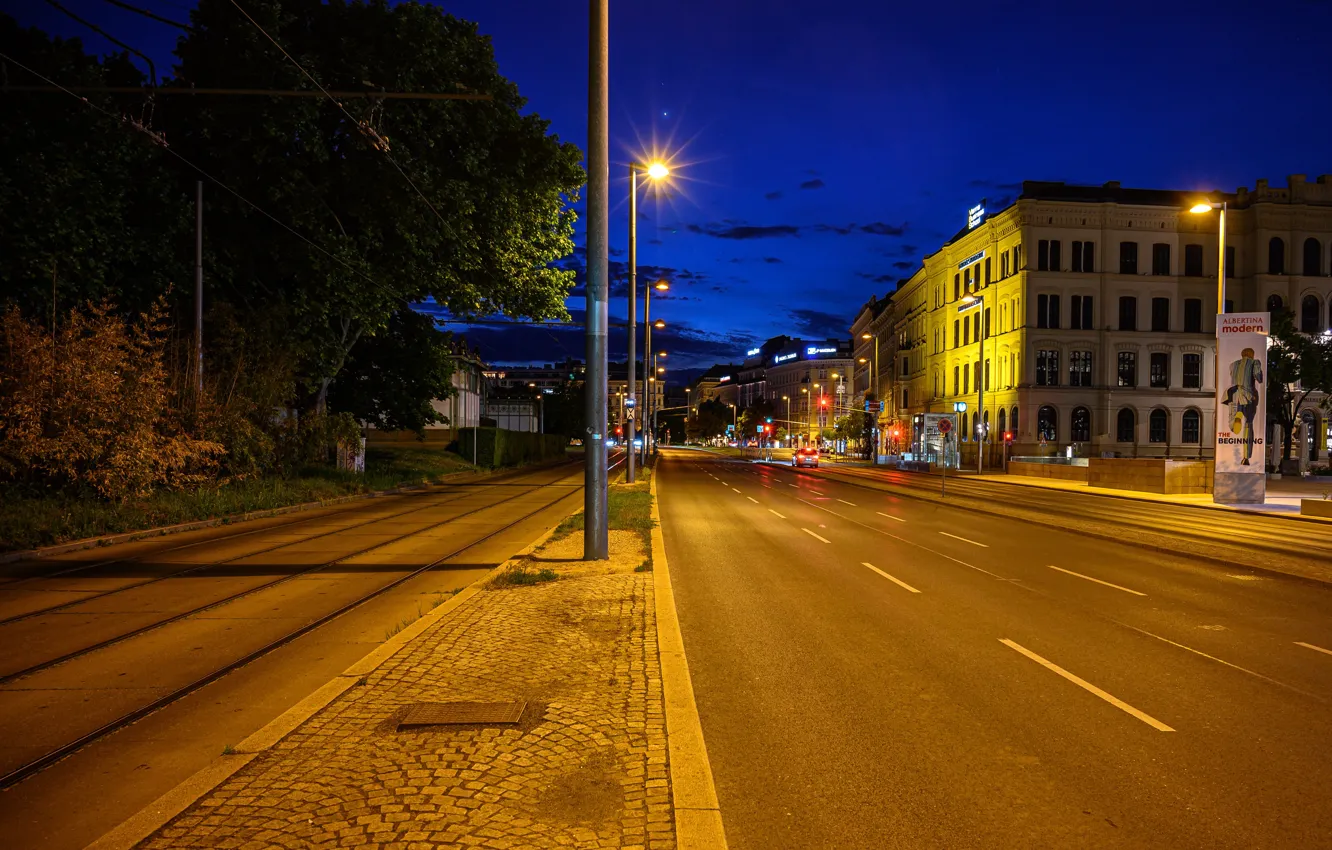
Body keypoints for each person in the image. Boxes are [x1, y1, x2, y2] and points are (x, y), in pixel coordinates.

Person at [1221, 346, 1263, 466]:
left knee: (1233, 418)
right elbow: (1258, 378)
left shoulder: (1233, 364)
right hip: (1248, 396)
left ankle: (1237, 416)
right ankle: (1246, 457)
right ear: (1252, 355)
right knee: (1249, 425)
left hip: (1233, 395)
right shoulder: (1255, 362)